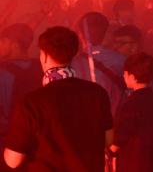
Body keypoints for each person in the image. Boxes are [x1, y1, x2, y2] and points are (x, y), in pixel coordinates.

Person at [3, 26, 113, 171]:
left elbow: (13, 161)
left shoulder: (32, 102)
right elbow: (108, 140)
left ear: (44, 56)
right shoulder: (97, 93)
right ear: (73, 54)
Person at [110, 52, 153, 172]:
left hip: (134, 161)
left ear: (133, 77)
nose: (123, 76)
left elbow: (123, 132)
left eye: (125, 73)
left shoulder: (132, 103)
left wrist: (111, 149)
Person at [72, 12, 125, 116]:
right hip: (112, 120)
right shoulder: (120, 60)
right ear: (105, 32)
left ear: (80, 33)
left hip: (83, 120)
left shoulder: (72, 64)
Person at [0, 24, 41, 154]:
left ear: (15, 45)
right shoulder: (41, 68)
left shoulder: (3, 73)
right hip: (38, 143)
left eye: (3, 41)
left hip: (9, 145)